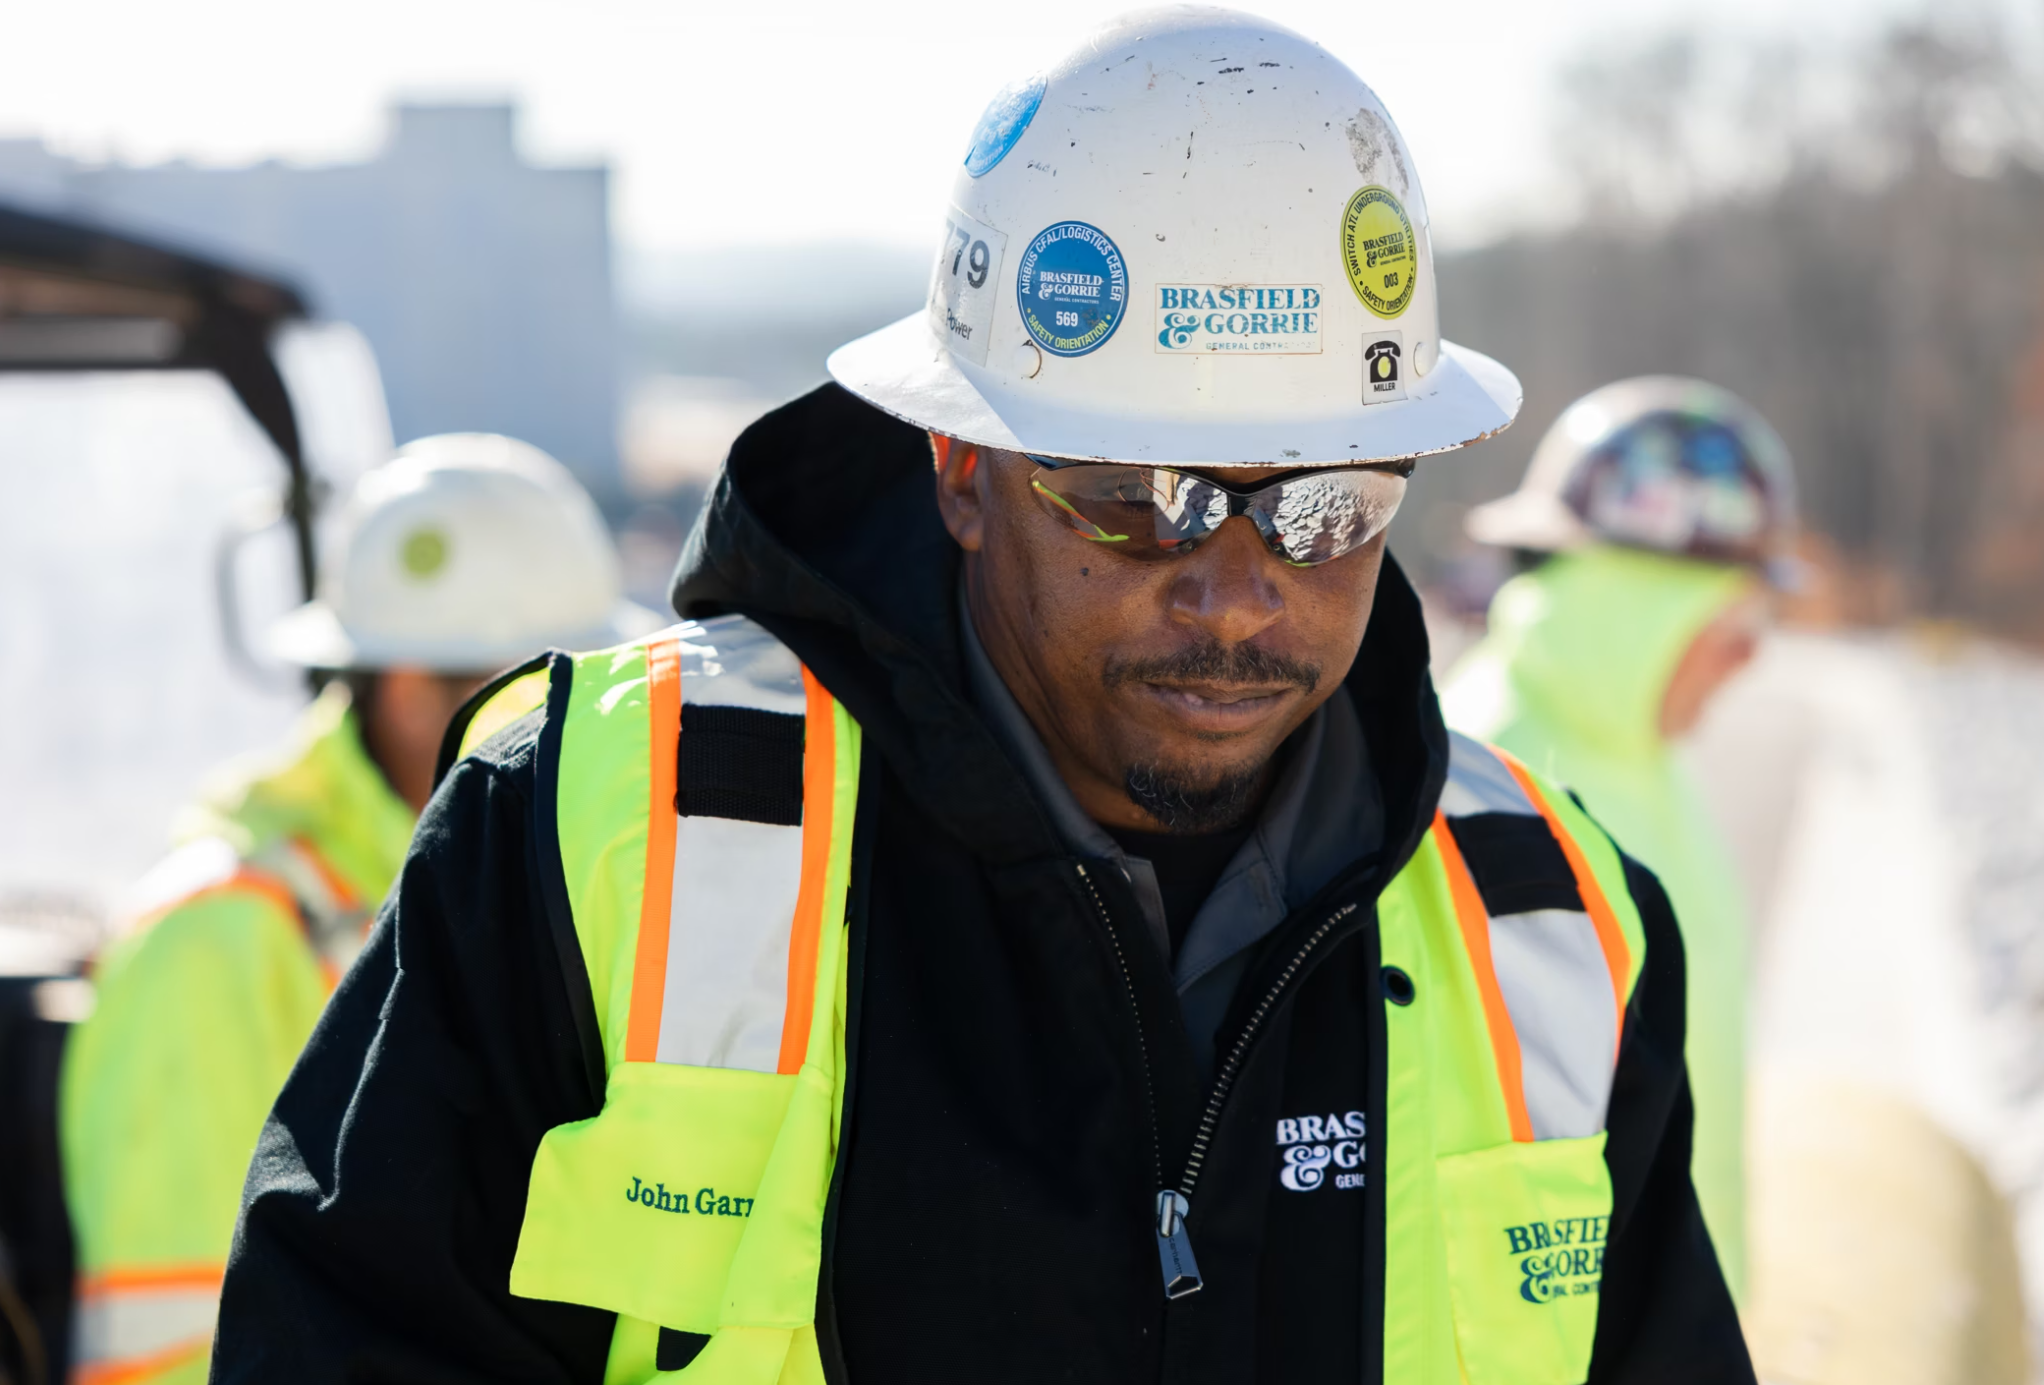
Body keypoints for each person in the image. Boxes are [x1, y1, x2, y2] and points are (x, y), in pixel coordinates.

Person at [211, 13, 1750, 1383]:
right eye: (1141, 501)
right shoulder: (598, 839)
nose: (1234, 593)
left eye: (1328, 505)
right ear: (961, 472)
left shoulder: (1555, 929)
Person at [60, 433, 656, 1385]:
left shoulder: (511, 895)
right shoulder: (218, 936)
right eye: (553, 700)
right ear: (416, 688)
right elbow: (173, 1340)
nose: (593, 741)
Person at [1442, 376, 1802, 1300]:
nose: (1753, 653)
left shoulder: (1643, 757)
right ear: (1636, 609)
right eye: (1739, 614)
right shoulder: (1489, 785)